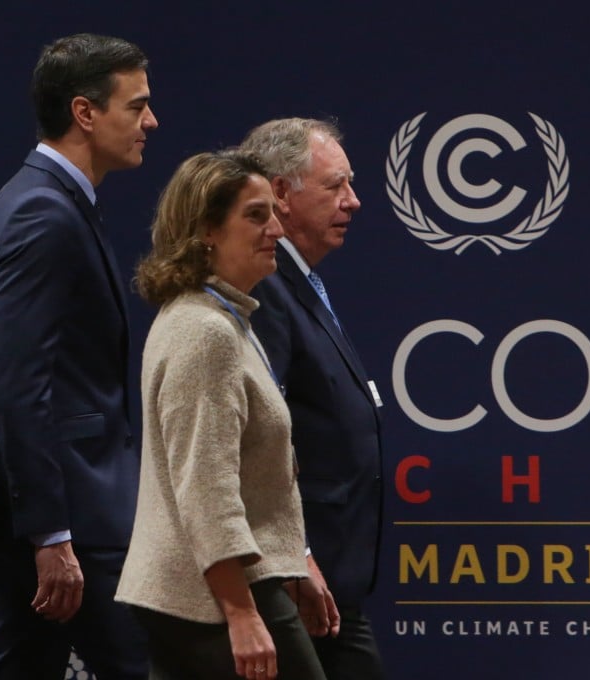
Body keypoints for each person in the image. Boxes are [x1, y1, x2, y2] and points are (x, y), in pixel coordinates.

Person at [0, 33, 157, 679]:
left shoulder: (37, 200)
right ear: (85, 112)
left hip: (37, 509)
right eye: (138, 106)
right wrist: (52, 535)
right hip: (64, 514)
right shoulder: (43, 212)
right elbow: (20, 385)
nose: (152, 121)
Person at [115, 150, 326, 680]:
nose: (275, 229)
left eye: (274, 214)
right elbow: (205, 486)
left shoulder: (222, 318)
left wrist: (292, 563)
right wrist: (241, 614)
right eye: (255, 216)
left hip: (213, 589)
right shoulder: (204, 332)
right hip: (210, 598)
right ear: (206, 229)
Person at [240, 118, 385, 679]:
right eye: (336, 186)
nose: (354, 200)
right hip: (297, 575)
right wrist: (295, 551)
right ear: (281, 192)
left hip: (327, 578)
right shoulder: (268, 291)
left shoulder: (303, 284)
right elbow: (261, 434)